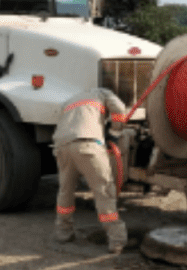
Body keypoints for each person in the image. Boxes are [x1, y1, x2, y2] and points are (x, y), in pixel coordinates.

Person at [53, 87, 128, 253]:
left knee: (65, 191)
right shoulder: (103, 93)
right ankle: (117, 240)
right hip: (88, 145)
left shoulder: (70, 100)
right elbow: (120, 109)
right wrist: (114, 131)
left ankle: (63, 232)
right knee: (104, 191)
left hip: (62, 146)